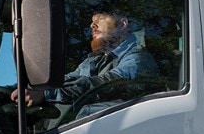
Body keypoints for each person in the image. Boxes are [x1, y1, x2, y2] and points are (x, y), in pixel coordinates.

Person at [16, 8, 158, 111]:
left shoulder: (138, 59)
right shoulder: (95, 60)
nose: (92, 25)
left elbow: (109, 83)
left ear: (122, 24)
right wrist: (22, 88)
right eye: (92, 21)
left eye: (100, 19)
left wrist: (46, 93)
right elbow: (66, 79)